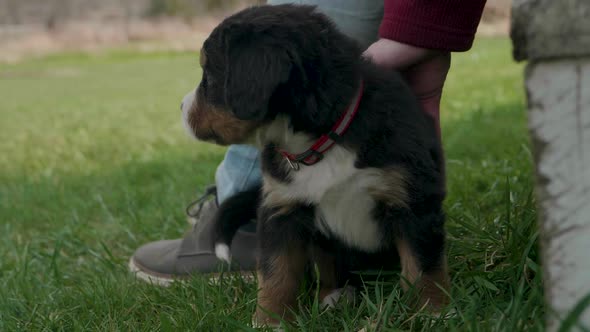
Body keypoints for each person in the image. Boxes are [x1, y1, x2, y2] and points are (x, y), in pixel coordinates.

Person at [129, 0, 487, 285]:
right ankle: (302, 263)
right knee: (292, 216)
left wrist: (421, 25)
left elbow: (419, 211)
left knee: (405, 213)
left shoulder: (387, 134)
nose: (193, 101)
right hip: (313, 163)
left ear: (256, 84)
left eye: (210, 78)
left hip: (355, 134)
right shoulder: (281, 153)